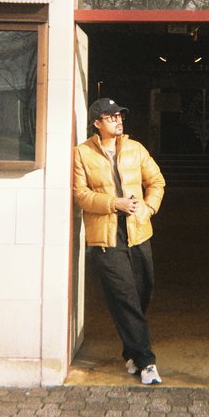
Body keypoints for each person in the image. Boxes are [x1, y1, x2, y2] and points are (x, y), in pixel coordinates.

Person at [73, 97, 166, 385]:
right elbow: (80, 195)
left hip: (138, 234)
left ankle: (131, 352)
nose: (118, 120)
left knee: (141, 293)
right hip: (106, 239)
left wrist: (148, 208)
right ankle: (146, 361)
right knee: (125, 297)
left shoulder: (136, 149)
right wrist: (115, 203)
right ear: (96, 123)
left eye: (119, 116)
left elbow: (157, 181)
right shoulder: (82, 154)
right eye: (110, 117)